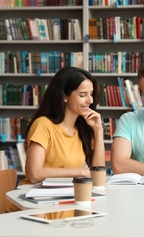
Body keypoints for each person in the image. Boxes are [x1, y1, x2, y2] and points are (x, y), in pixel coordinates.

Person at [6, 67, 105, 212]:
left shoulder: (83, 129)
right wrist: (81, 172)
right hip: (34, 204)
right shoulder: (43, 125)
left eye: (91, 94)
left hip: (65, 199)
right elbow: (34, 174)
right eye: (83, 95)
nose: (90, 100)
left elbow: (97, 176)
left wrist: (98, 130)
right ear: (64, 96)